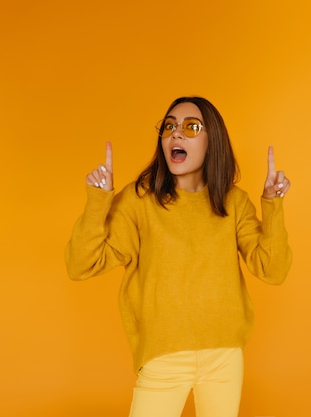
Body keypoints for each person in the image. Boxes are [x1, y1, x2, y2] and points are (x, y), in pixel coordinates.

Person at [65, 96, 292, 417]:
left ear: (212, 140)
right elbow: (80, 265)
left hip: (224, 356)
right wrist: (99, 201)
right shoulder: (139, 201)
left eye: (191, 126)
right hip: (163, 356)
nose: (176, 134)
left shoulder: (234, 202)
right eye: (169, 126)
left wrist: (272, 204)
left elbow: (274, 270)